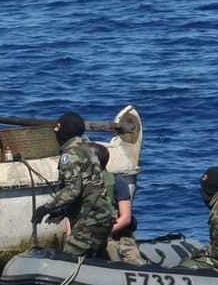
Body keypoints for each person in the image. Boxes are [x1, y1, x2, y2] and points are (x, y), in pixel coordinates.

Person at [30, 112, 113, 258]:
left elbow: (73, 189)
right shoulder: (87, 149)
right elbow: (88, 185)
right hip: (103, 216)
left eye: (57, 127)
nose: (55, 131)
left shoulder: (69, 155)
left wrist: (46, 207)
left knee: (71, 257)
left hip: (90, 219)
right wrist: (61, 211)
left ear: (64, 130)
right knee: (95, 258)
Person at [94, 142, 142, 265]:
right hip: (87, 235)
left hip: (115, 234)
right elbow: (70, 213)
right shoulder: (80, 184)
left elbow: (125, 218)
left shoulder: (117, 182)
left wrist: (105, 232)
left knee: (130, 260)